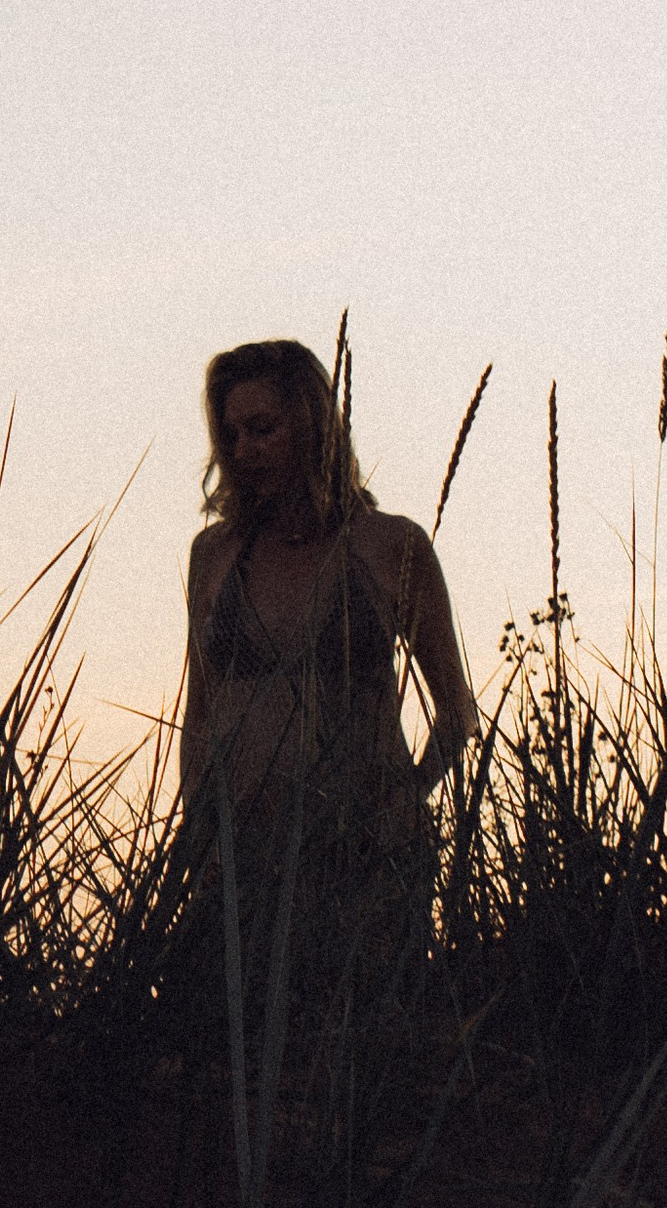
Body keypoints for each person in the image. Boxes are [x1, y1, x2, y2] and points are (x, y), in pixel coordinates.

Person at [179, 337, 477, 962]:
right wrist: (200, 838)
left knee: (362, 1047)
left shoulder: (392, 547)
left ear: (312, 427)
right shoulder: (213, 555)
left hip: (365, 865)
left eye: (262, 428)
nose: (243, 451)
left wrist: (400, 804)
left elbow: (457, 713)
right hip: (242, 864)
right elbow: (199, 718)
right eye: (231, 434)